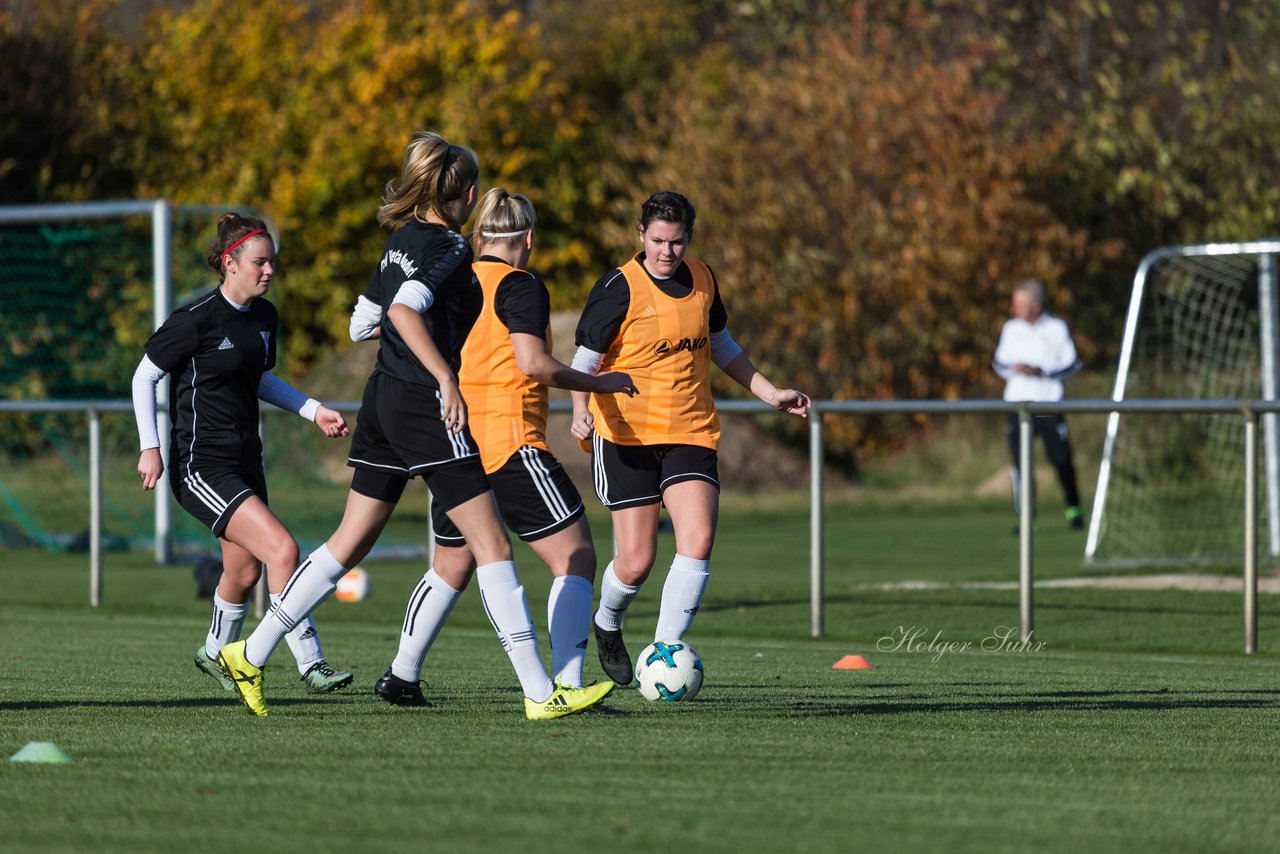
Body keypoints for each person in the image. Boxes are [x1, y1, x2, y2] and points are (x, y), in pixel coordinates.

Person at [215, 131, 615, 719]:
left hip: (380, 397)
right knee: (492, 545)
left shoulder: (400, 241)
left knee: (347, 544)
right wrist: (444, 376)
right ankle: (539, 691)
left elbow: (365, 322)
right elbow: (401, 311)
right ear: (469, 194)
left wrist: (416, 346)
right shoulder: (451, 248)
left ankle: (249, 651)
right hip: (421, 404)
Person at [360, 188, 637, 706]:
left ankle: (402, 673)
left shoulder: (454, 278)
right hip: (512, 443)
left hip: (456, 442)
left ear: (479, 235)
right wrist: (598, 383)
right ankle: (569, 683)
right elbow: (531, 363)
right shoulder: (521, 285)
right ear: (528, 237)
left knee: (452, 564)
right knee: (576, 557)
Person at [569, 190, 811, 685]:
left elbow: (721, 344)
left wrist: (769, 393)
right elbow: (583, 362)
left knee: (697, 540)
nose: (666, 252)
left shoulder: (702, 279)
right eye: (657, 240)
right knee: (636, 563)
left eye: (676, 242)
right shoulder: (618, 287)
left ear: (689, 239)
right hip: (625, 436)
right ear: (641, 235)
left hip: (690, 429)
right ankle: (607, 620)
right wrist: (579, 413)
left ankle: (663, 654)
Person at [131, 212, 355, 698]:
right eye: (260, 262)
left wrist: (312, 410)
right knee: (284, 550)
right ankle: (311, 663)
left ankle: (213, 653)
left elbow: (258, 378)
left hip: (245, 460)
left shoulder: (265, 317)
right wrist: (151, 446)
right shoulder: (194, 320)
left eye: (272, 261)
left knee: (244, 570)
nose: (269, 270)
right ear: (229, 263)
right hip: (201, 465)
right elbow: (144, 376)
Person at [992, 277, 1085, 529]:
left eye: (1020, 304)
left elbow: (1072, 363)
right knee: (1021, 464)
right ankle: (1025, 516)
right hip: (1018, 406)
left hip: (1048, 405)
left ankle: (1073, 509)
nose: (1015, 309)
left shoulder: (1056, 328)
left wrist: (1042, 372)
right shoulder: (1011, 328)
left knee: (1061, 459)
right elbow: (998, 362)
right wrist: (1016, 368)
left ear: (1036, 305)